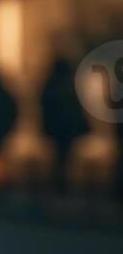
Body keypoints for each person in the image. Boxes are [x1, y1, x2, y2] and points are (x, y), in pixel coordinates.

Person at [40, 56, 88, 193]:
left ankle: (58, 182)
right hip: (67, 129)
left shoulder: (50, 84)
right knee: (64, 156)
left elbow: (44, 106)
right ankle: (62, 183)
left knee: (59, 156)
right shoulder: (69, 85)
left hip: (55, 128)